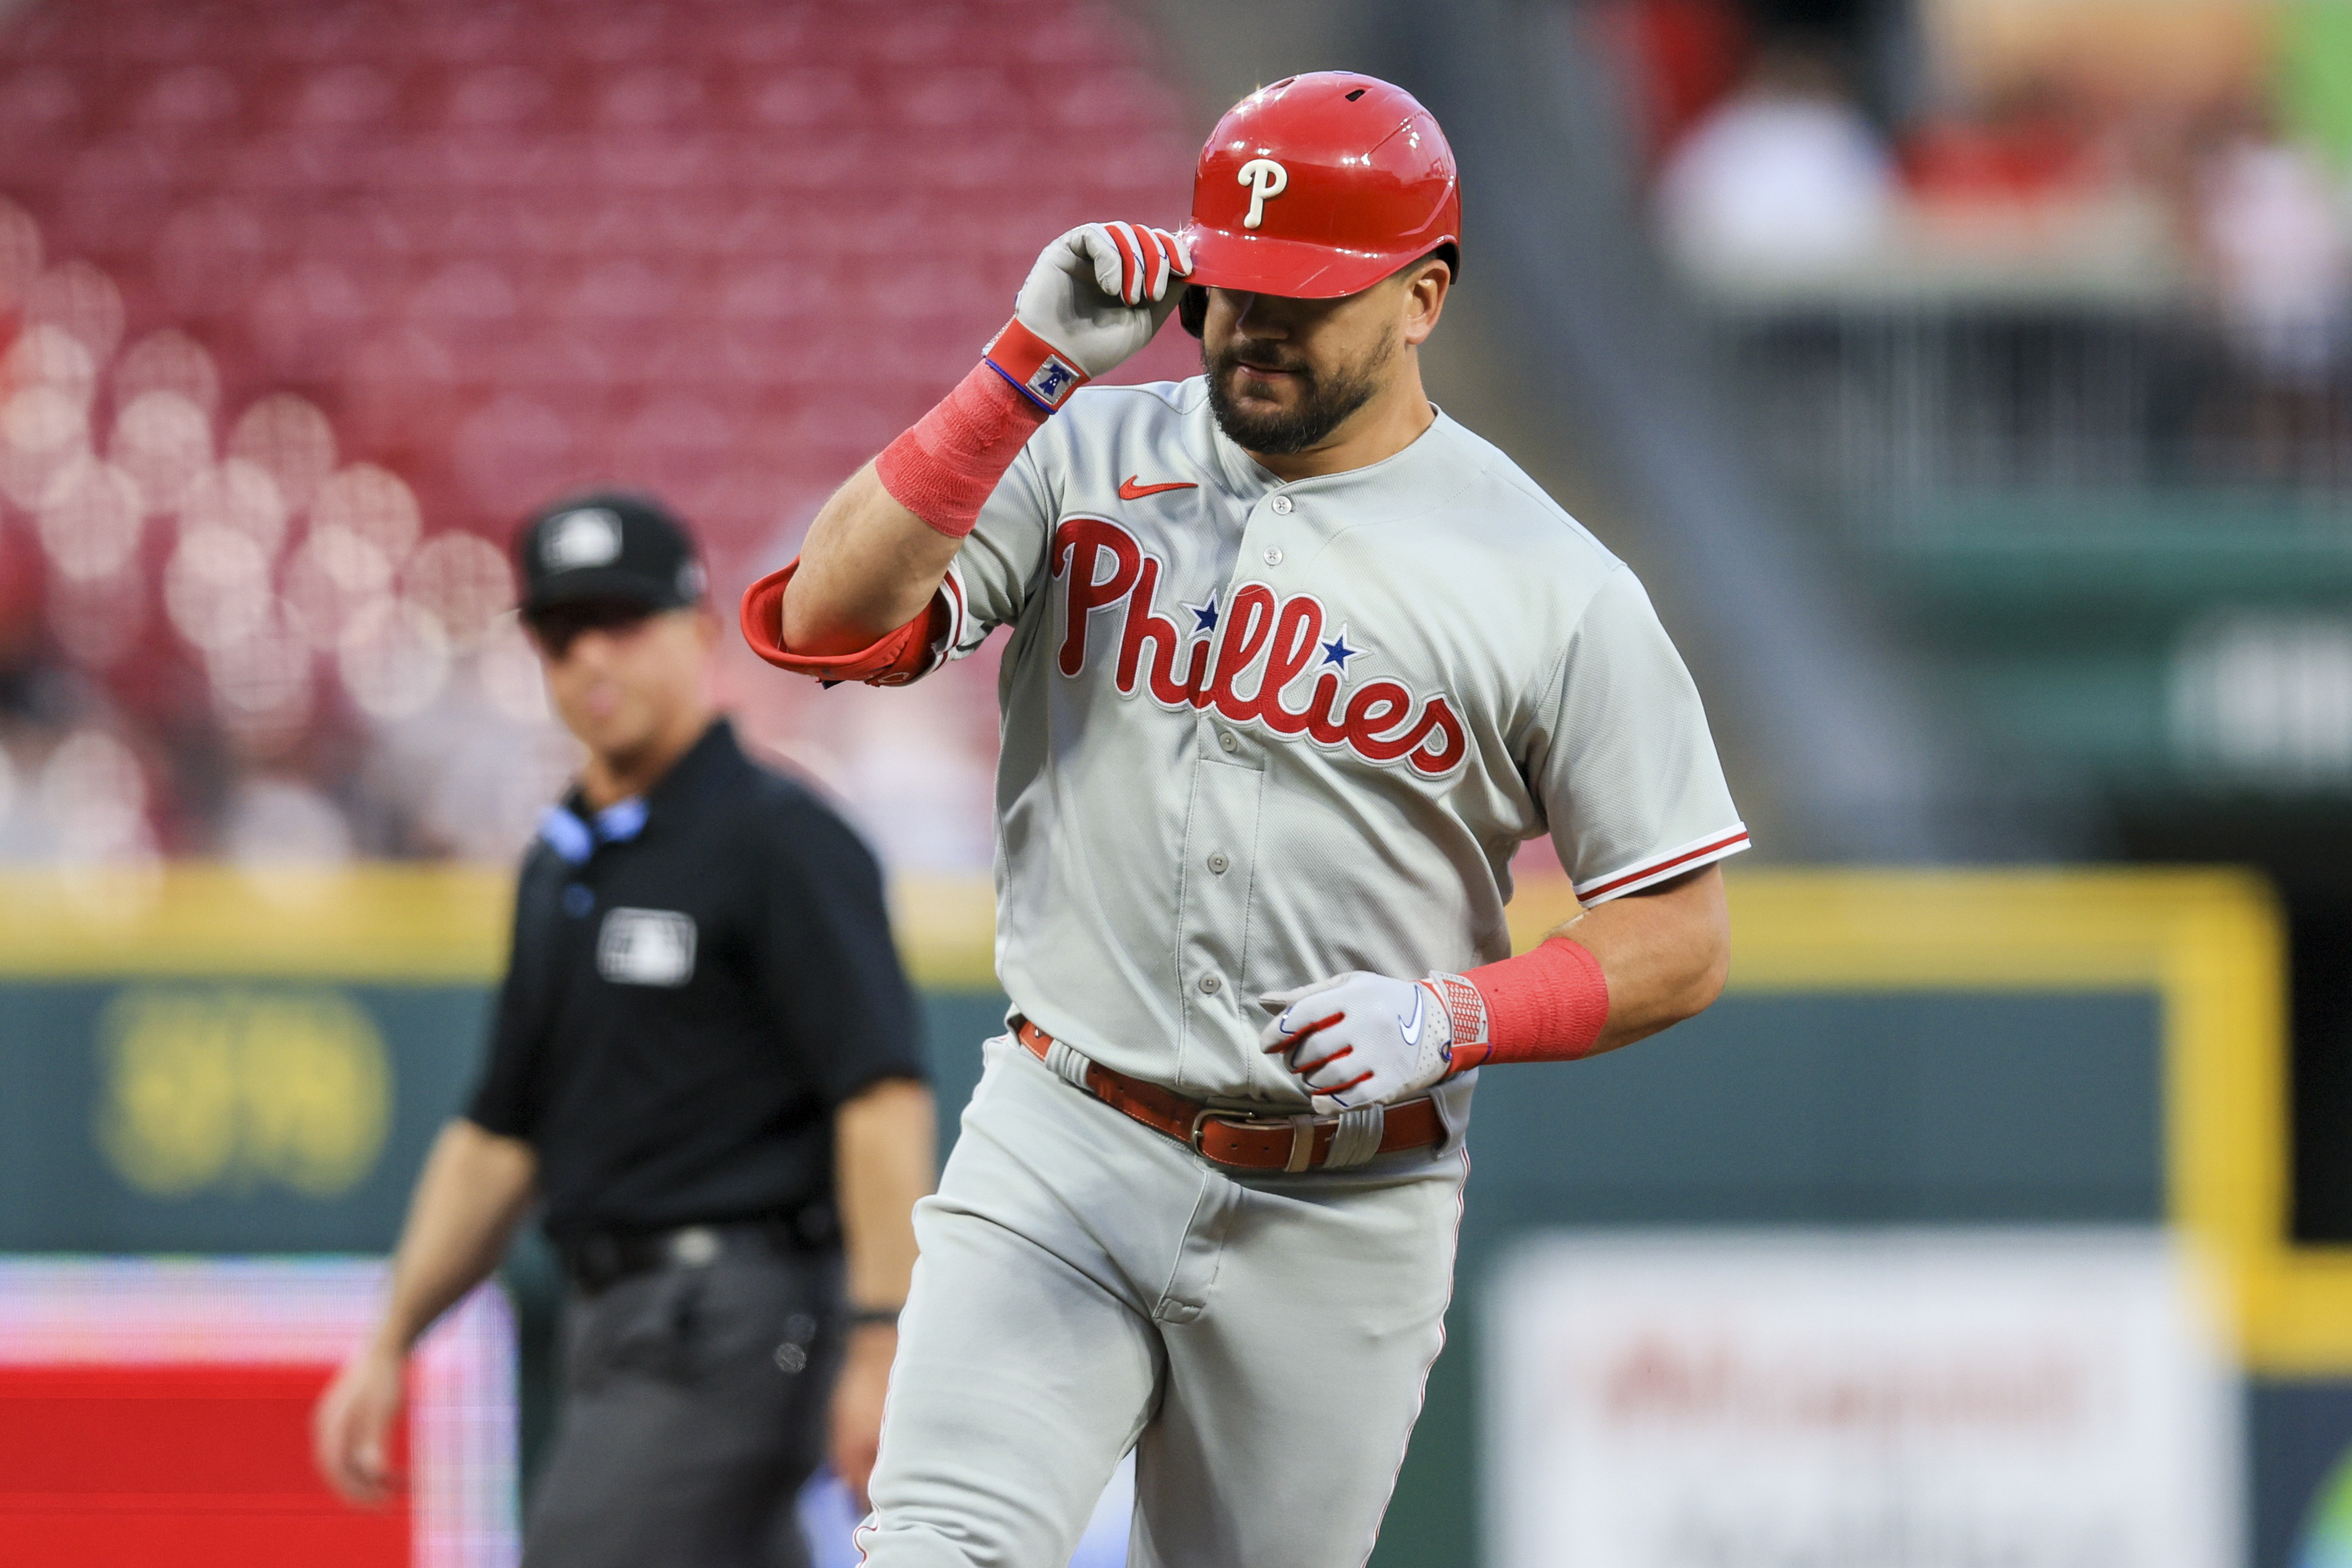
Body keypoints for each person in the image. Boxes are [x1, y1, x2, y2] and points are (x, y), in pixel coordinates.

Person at [741, 72, 1745, 1567]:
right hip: (1064, 1138)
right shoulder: (1083, 450)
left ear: (1422, 297)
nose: (1253, 328)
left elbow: (1678, 936)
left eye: (1306, 297)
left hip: (1344, 1207)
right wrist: (1017, 369)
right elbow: (823, 620)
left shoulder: (1555, 582)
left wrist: (1457, 1014)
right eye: (1232, 287)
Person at [314, 492, 935, 1568]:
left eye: (623, 621)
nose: (592, 656)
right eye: (562, 633)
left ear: (696, 630)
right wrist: (389, 1338)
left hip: (736, 1316)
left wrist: (882, 1342)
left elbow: (880, 1095)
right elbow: (500, 1132)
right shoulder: (564, 860)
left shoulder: (781, 840)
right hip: (616, 1322)